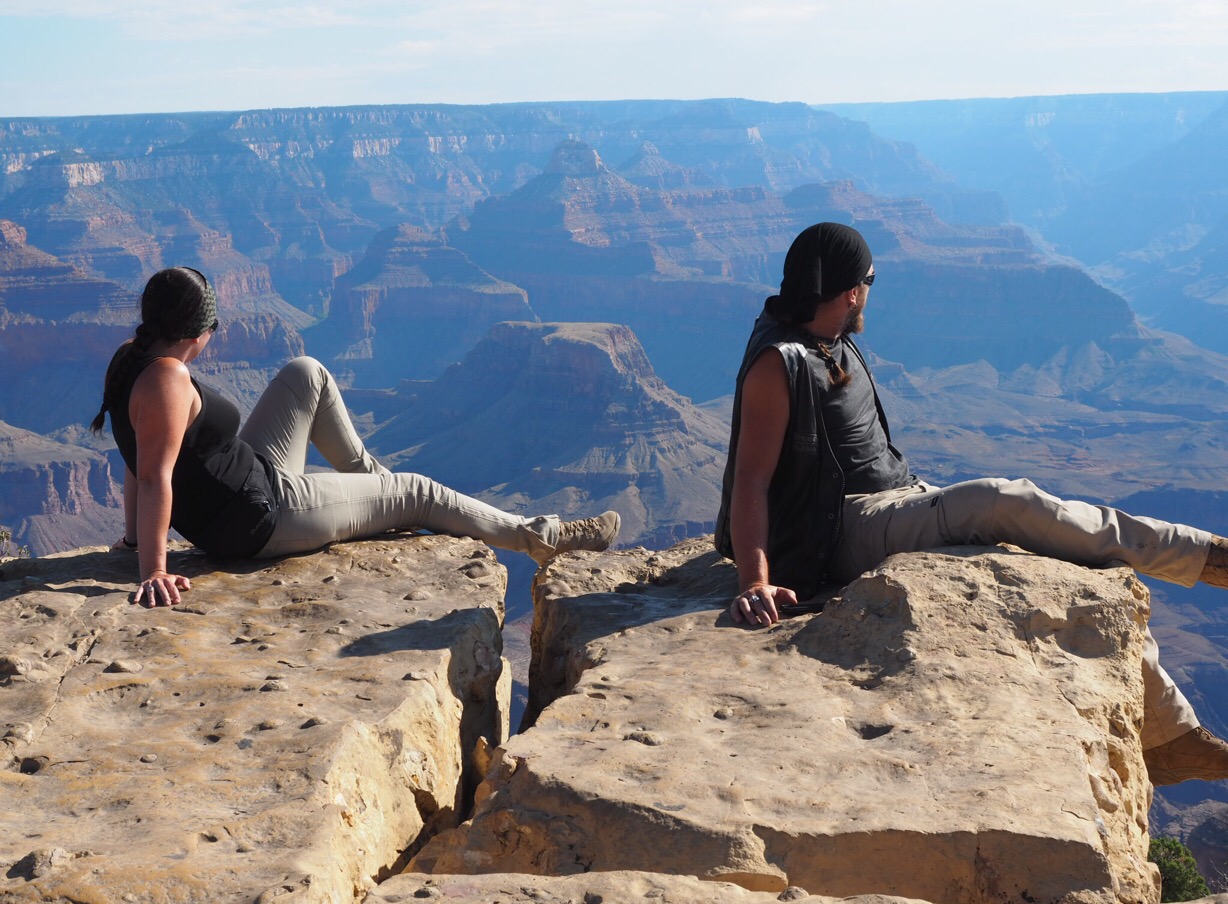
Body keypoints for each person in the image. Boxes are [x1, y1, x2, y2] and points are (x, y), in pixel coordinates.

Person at [715, 222, 1228, 786]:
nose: (871, 292)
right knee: (1002, 501)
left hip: (895, 497)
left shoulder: (825, 335)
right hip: (843, 525)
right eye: (870, 280)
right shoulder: (779, 362)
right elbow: (751, 479)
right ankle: (1205, 556)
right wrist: (754, 582)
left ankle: (1173, 737)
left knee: (1081, 557)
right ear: (852, 292)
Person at [93, 266, 620, 608]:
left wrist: (134, 538)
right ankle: (541, 538)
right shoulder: (168, 379)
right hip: (262, 516)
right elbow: (154, 474)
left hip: (251, 478)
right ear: (198, 331)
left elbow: (135, 454)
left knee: (307, 373)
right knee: (420, 491)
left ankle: (378, 494)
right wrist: (154, 568)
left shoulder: (132, 356)